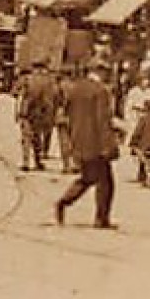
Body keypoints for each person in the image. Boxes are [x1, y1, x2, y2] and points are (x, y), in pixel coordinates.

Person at [54, 64, 117, 229]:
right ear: (99, 72)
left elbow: (68, 115)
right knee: (106, 182)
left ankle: (63, 202)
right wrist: (108, 146)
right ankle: (101, 219)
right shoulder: (100, 91)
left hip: (79, 140)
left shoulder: (75, 89)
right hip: (96, 143)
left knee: (88, 178)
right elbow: (101, 120)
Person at [18, 59, 60, 172]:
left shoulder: (28, 79)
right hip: (43, 112)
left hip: (28, 111)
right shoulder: (51, 81)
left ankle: (26, 162)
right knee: (37, 137)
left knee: (26, 137)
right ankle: (38, 161)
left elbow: (18, 94)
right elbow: (56, 95)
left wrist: (20, 112)